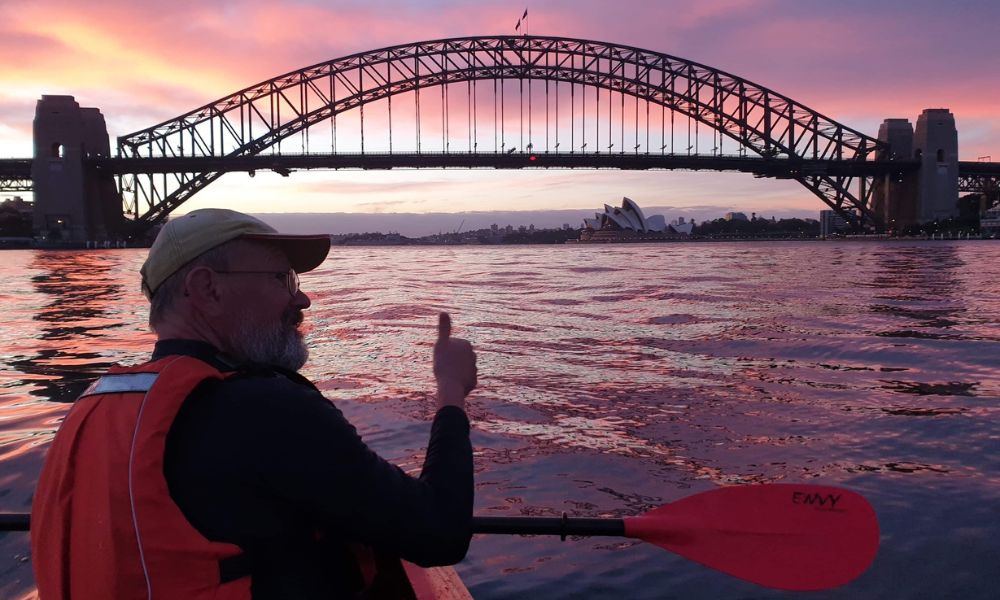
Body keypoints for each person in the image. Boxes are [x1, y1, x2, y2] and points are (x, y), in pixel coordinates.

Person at [31, 209, 477, 599]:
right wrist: (451, 390)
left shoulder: (95, 407)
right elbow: (439, 532)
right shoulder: (264, 408)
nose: (302, 298)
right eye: (282, 279)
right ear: (207, 289)